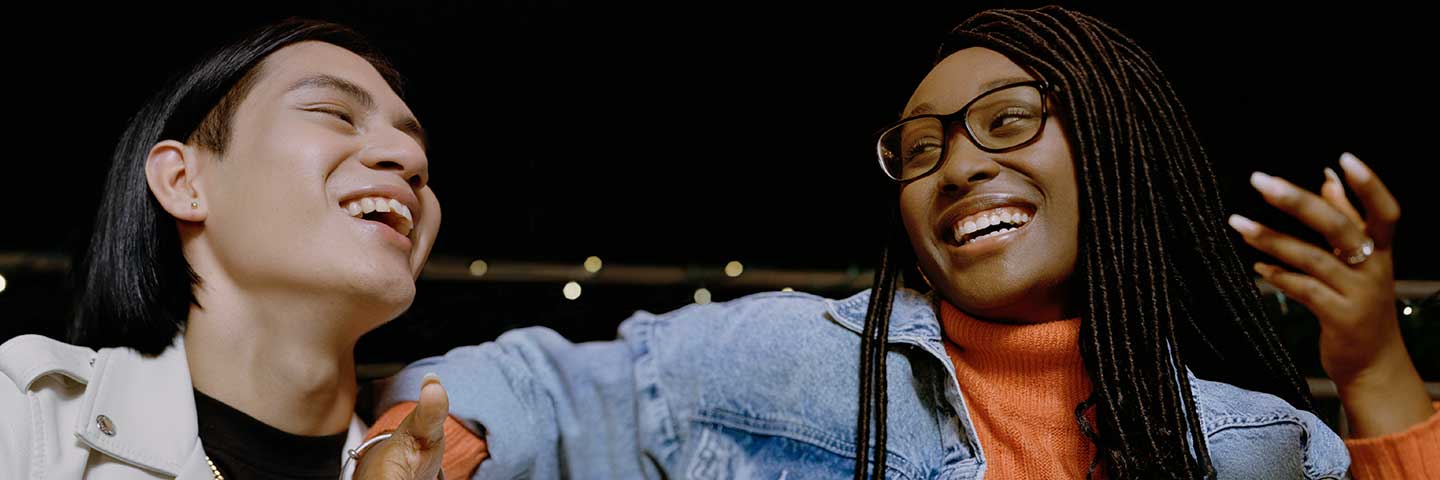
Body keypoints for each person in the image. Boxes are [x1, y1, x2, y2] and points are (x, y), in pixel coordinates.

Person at [373, 6, 1438, 479]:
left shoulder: (1254, 444)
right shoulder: (788, 363)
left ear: (1119, 150)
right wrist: (431, 437)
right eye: (921, 147)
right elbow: (542, 386)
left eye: (1012, 120)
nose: (959, 164)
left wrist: (1375, 370)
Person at [0, 18, 457, 479]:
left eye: (415, 141)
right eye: (335, 113)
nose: (411, 158)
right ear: (183, 182)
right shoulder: (23, 421)